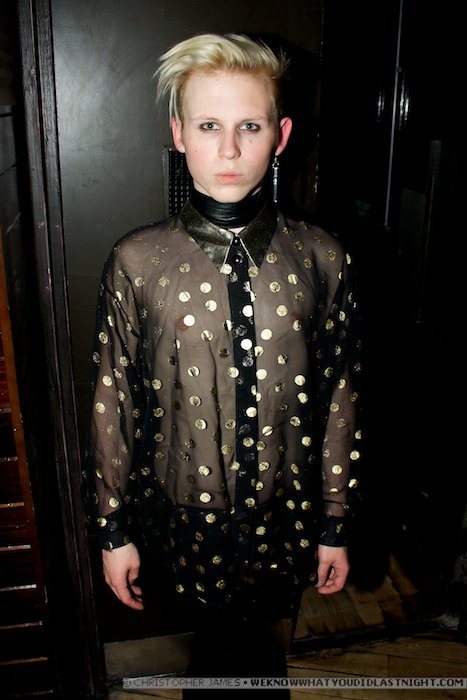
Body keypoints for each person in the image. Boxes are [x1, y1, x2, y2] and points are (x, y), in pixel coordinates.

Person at [83, 32, 362, 694]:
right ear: (179, 133)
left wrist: (335, 520)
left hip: (285, 515)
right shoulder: (137, 260)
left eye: (249, 126)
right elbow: (111, 400)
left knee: (263, 659)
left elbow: (340, 397)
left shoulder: (321, 256)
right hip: (180, 519)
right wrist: (112, 529)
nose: (230, 150)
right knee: (211, 659)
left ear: (280, 135)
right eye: (209, 125)